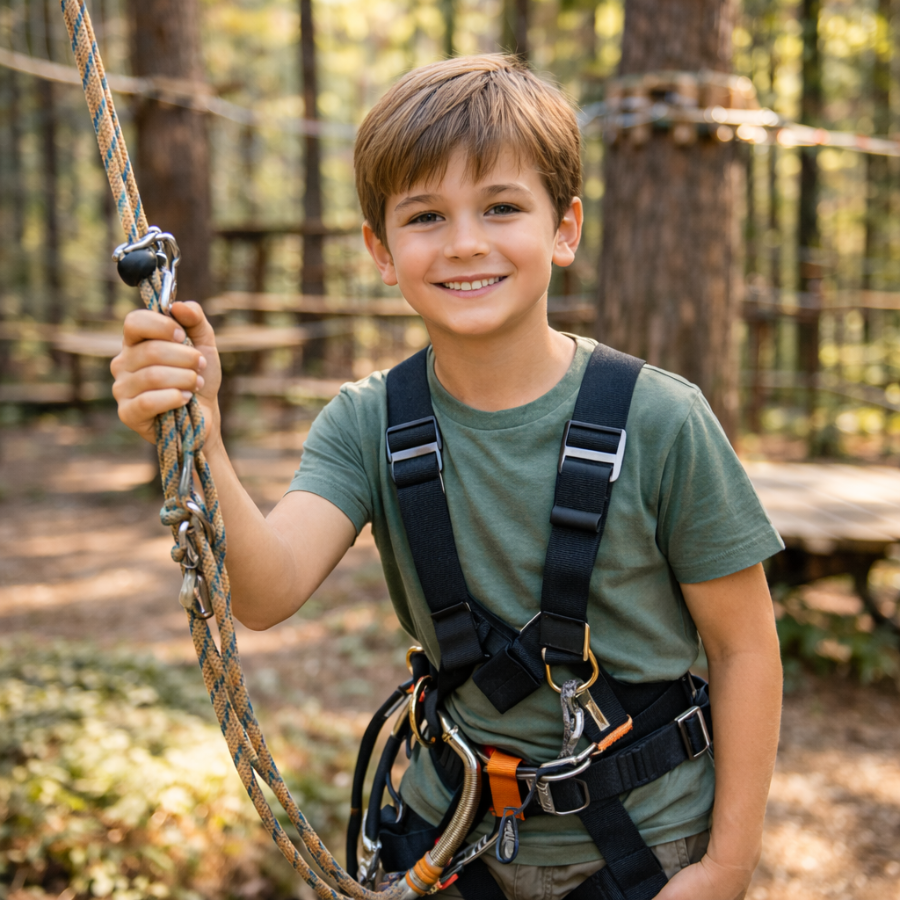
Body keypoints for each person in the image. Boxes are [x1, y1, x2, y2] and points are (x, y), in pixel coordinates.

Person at [111, 54, 784, 900]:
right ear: (381, 251)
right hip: (448, 840)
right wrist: (200, 433)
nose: (466, 242)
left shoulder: (660, 421)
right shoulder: (368, 423)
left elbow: (745, 645)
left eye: (502, 207)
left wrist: (728, 865)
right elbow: (267, 589)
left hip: (650, 849)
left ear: (564, 229)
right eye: (426, 216)